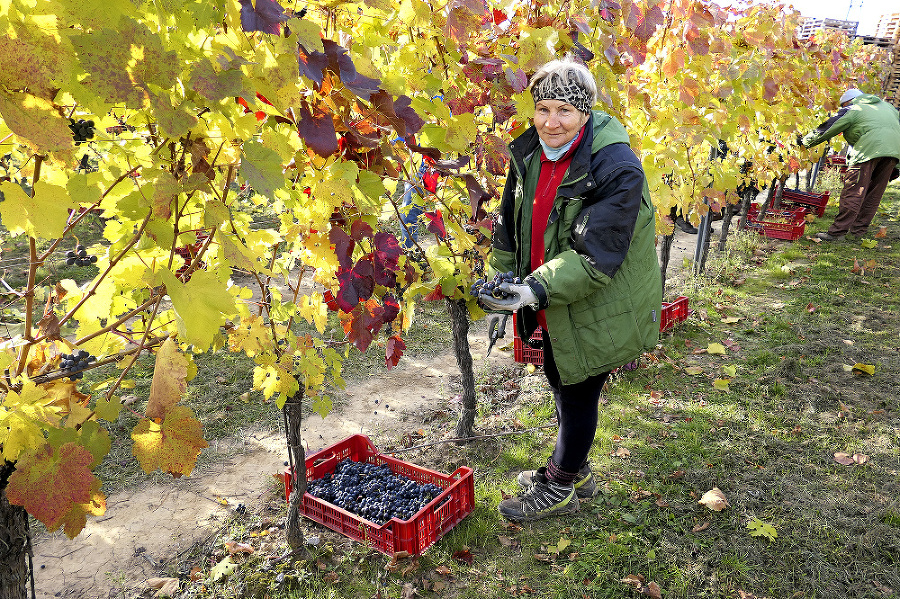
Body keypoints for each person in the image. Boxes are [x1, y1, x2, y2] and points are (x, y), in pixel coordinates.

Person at [478, 57, 662, 522]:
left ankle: (561, 485)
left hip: (597, 296)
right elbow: (511, 225)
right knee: (560, 377)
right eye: (542, 108)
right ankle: (575, 470)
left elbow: (595, 256)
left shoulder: (616, 167)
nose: (550, 121)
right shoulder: (530, 154)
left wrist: (533, 289)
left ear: (585, 113)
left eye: (564, 110)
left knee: (578, 387)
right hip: (551, 292)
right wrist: (503, 278)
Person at [800, 88, 900, 241]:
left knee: (854, 190)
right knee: (874, 194)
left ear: (847, 102)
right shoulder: (889, 108)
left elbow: (828, 127)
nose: (842, 109)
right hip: (893, 153)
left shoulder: (853, 108)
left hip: (868, 150)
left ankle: (837, 233)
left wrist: (804, 142)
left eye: (843, 106)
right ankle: (857, 232)